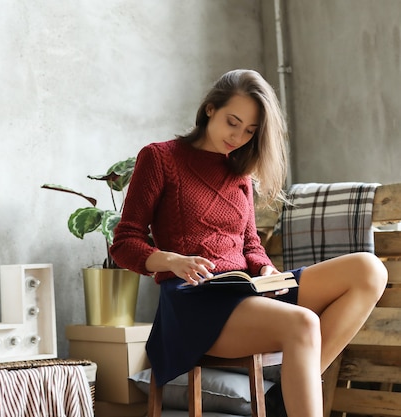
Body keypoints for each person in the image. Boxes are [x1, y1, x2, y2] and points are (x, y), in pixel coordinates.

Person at [109, 69, 387, 417]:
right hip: (195, 301)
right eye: (232, 122)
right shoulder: (160, 158)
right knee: (303, 323)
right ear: (210, 108)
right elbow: (124, 243)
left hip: (245, 290)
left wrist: (266, 268)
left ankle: (289, 393)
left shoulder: (240, 173)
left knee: (368, 269)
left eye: (250, 131)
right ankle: (294, 396)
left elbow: (251, 244)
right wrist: (173, 260)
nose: (238, 136)